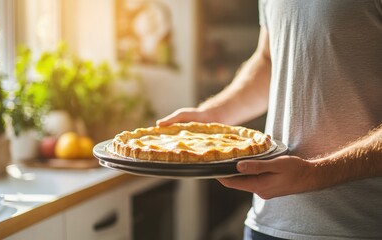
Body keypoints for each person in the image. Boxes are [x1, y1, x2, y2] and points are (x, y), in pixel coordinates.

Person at [157, 1, 382, 239]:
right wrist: (211, 116)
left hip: (360, 228)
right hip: (266, 223)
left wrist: (315, 174)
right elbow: (269, 59)